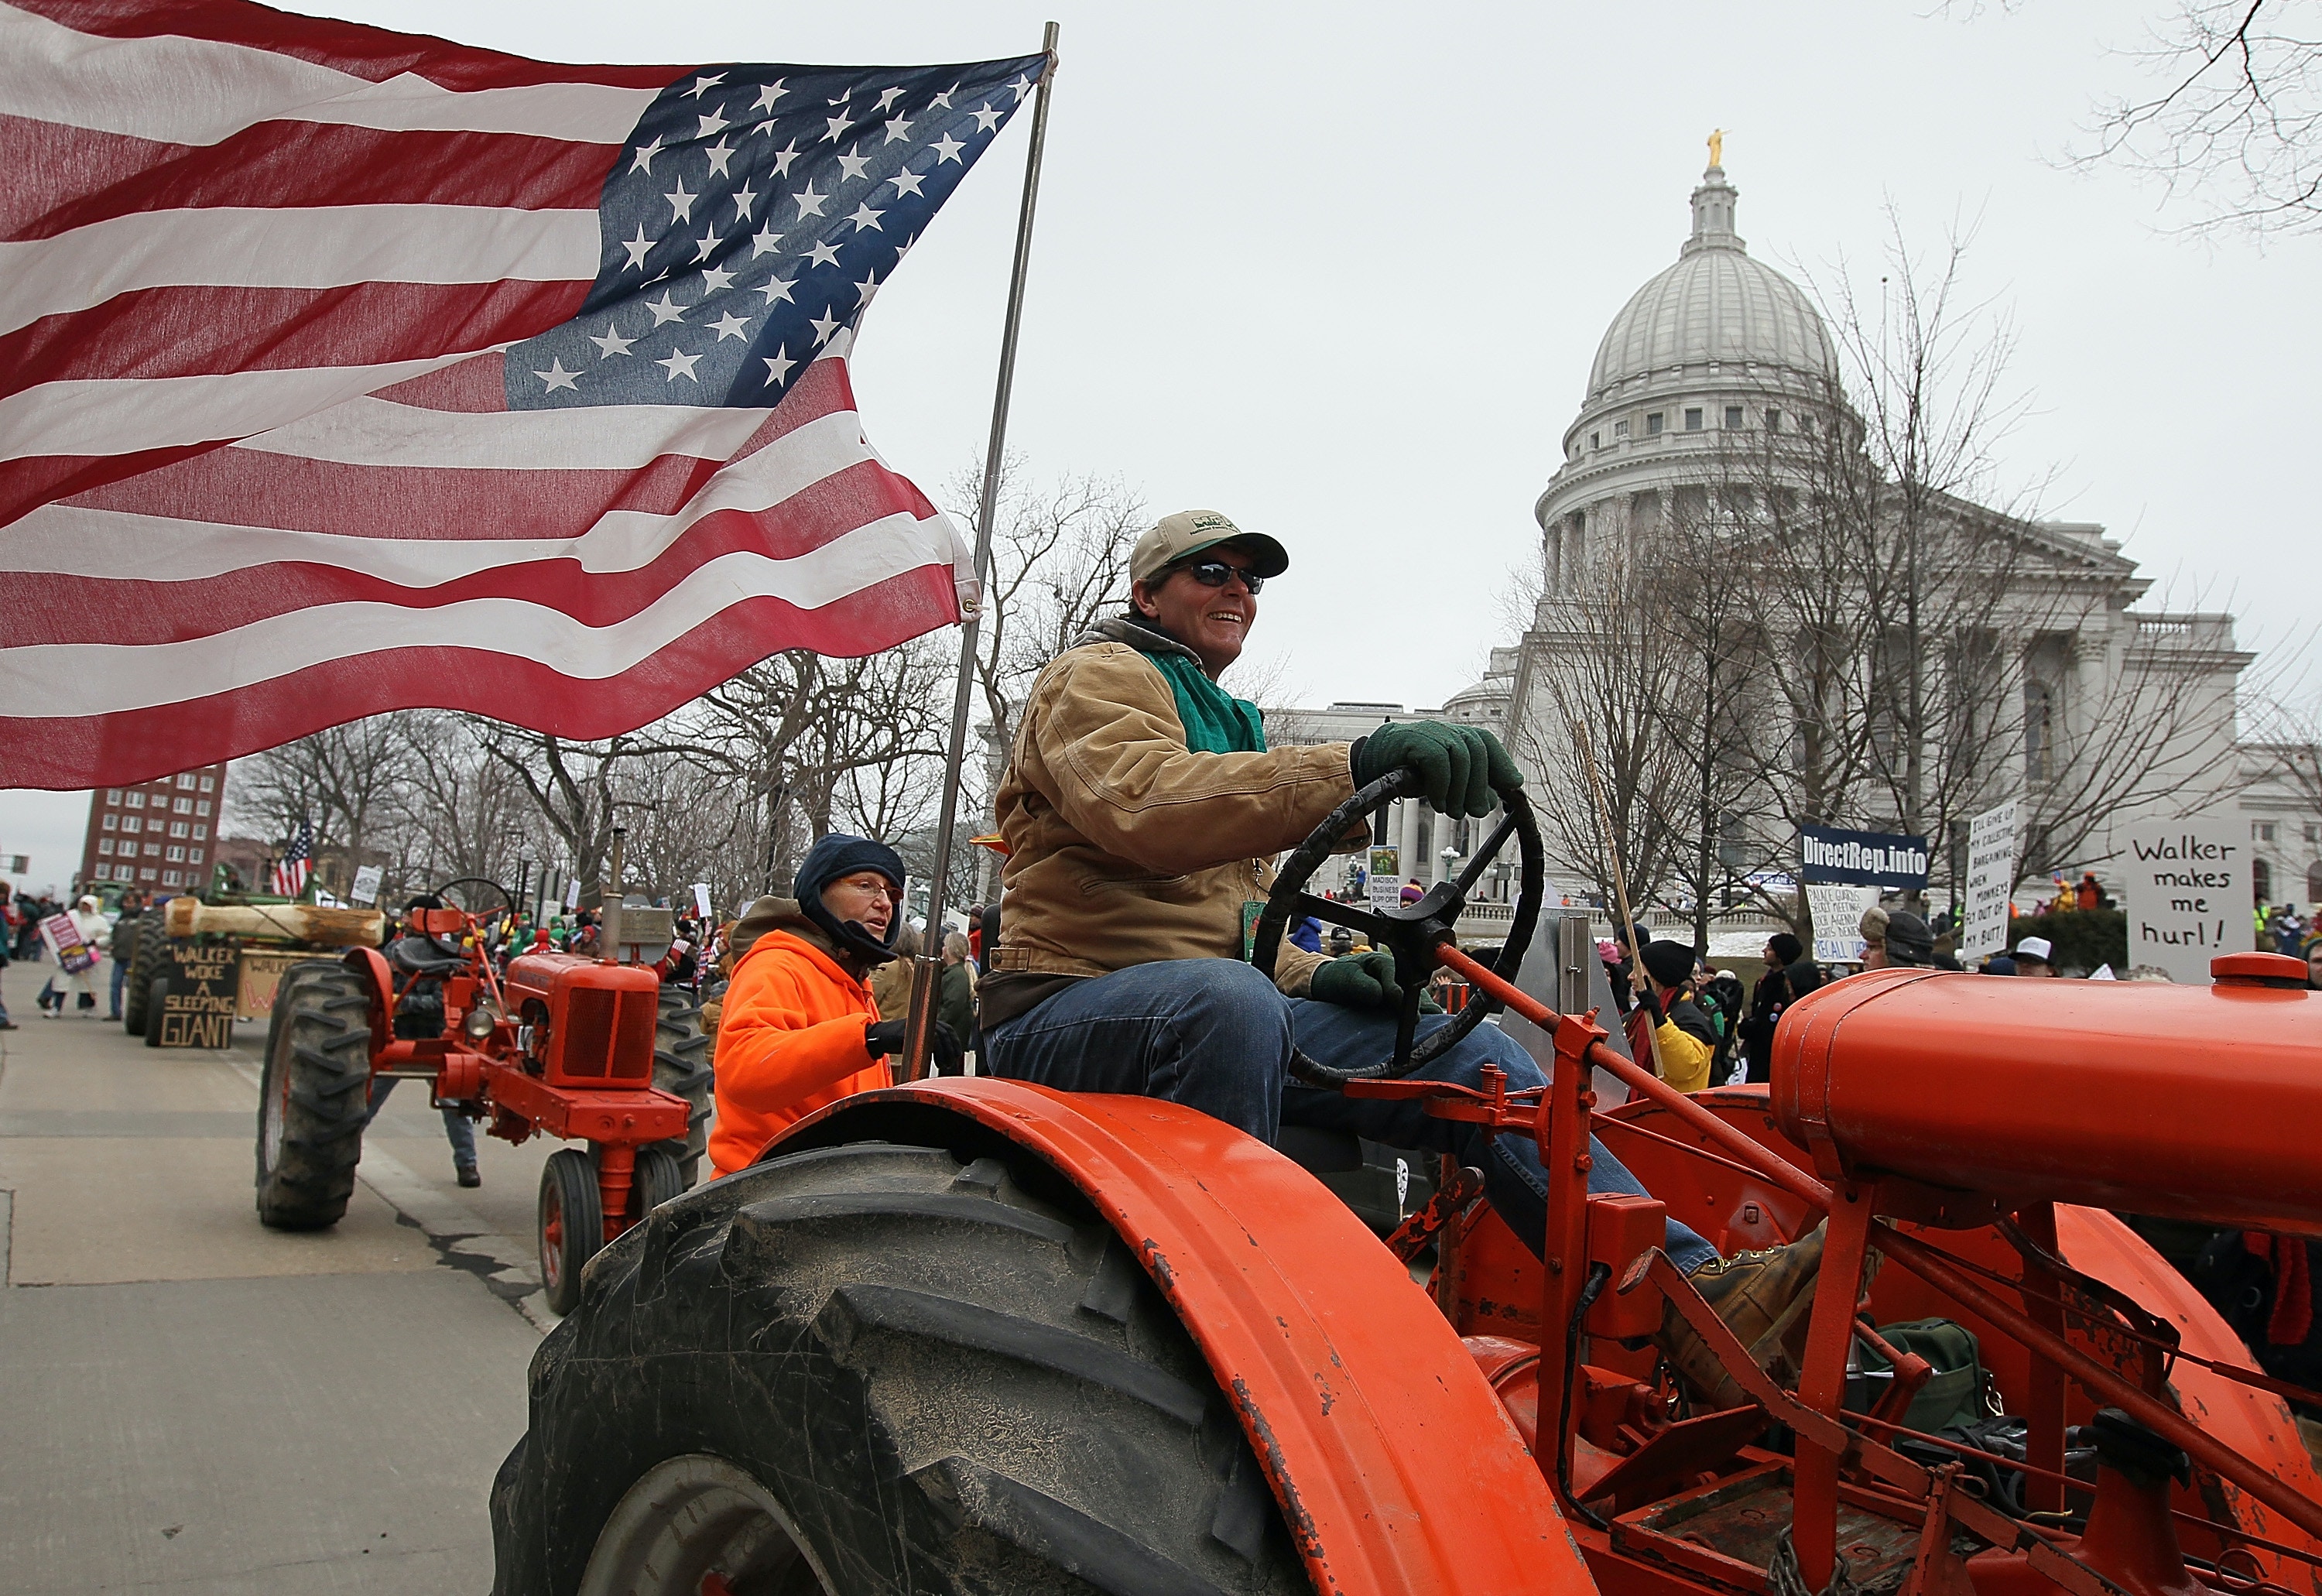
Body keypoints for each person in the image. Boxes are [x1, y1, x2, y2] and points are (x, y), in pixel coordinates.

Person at [978, 508, 1820, 1401]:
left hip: (1209, 1004)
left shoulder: (1227, 719)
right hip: (1068, 1005)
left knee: (1470, 1053)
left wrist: (1324, 974)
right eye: (1209, 571)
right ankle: (1215, 1343)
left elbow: (1235, 923)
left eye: (1249, 580)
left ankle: (1692, 1302)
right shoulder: (1097, 677)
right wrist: (1352, 767)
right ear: (1147, 592)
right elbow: (1145, 809)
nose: (1235, 590)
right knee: (1229, 1003)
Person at [708, 834, 959, 1178]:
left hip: (825, 1185)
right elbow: (744, 1070)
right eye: (866, 885)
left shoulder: (853, 980)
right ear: (820, 892)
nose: (884, 902)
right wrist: (869, 1039)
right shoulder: (777, 966)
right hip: (763, 1188)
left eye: (891, 893)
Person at [1627, 940, 1718, 1093]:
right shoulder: (1638, 1015)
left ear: (1658, 975)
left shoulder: (1689, 1017)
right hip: (1638, 1113)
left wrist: (1660, 1023)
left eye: (1637, 970)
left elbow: (1686, 1067)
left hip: (1668, 1115)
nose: (1630, 976)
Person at [1738, 933, 1821, 1084]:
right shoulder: (1763, 982)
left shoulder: (1784, 985)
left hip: (1770, 1054)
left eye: (1769, 948)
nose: (1764, 951)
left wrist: (1752, 1027)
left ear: (1780, 955)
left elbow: (1769, 1023)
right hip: (1757, 1051)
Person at [937, 930, 977, 1067]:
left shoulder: (956, 976)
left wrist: (935, 1023)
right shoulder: (955, 973)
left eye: (945, 945)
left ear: (949, 950)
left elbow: (953, 1005)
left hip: (953, 1036)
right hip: (954, 1034)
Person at [868, 921, 920, 1022]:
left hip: (882, 1028)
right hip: (902, 1029)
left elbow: (869, 999)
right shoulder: (915, 968)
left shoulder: (889, 967)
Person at [108, 889, 146, 1021]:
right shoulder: (121, 918)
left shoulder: (142, 918)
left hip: (133, 958)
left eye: (130, 902)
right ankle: (115, 1012)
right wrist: (112, 945)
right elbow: (115, 935)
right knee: (115, 986)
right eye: (125, 902)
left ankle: (133, 1013)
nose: (126, 905)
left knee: (132, 987)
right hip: (119, 957)